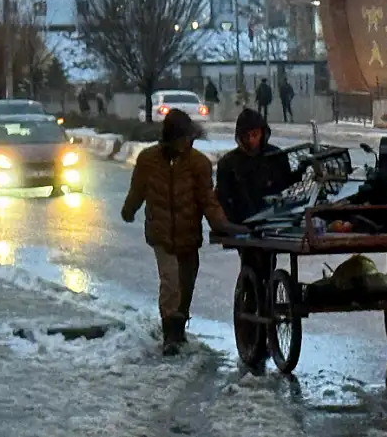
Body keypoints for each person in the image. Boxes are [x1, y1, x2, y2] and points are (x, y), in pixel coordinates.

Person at [120, 109, 246, 356]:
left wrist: (221, 223)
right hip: (161, 233)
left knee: (186, 284)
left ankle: (179, 327)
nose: (185, 143)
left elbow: (207, 199)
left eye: (188, 138)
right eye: (181, 138)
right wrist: (129, 209)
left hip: (189, 234)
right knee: (170, 282)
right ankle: (170, 335)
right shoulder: (148, 160)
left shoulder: (198, 163)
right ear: (171, 138)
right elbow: (137, 190)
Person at [215, 108, 302, 363]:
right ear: (240, 137)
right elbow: (224, 198)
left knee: (269, 268)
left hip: (274, 223)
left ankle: (267, 318)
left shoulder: (275, 156)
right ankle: (252, 328)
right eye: (248, 135)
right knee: (254, 269)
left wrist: (302, 173)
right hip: (246, 227)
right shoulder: (229, 164)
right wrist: (235, 225)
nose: (253, 140)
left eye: (257, 134)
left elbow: (287, 185)